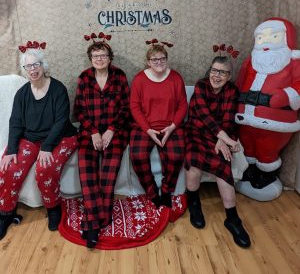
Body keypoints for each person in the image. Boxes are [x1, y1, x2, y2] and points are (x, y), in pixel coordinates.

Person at [0, 41, 78, 240]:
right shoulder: (22, 94)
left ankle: (53, 208)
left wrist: (47, 148)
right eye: (28, 66)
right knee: (9, 167)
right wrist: (10, 150)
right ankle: (6, 213)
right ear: (25, 69)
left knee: (45, 168)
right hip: (31, 138)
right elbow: (15, 123)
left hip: (61, 137)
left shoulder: (58, 89)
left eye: (36, 65)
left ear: (43, 65)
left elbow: (61, 121)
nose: (32, 70)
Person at [185, 55, 251, 248]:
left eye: (222, 72)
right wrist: (223, 138)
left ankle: (232, 219)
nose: (217, 75)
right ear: (210, 71)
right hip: (196, 131)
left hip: (219, 137)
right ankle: (194, 204)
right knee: (194, 163)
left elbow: (229, 120)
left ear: (229, 76)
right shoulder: (201, 85)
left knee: (223, 167)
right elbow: (204, 116)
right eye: (214, 70)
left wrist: (222, 141)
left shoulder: (232, 91)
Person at [74, 33, 130, 248]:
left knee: (108, 172)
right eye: (95, 56)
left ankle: (92, 224)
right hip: (90, 133)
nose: (99, 59)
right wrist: (94, 132)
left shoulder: (120, 76)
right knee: (87, 171)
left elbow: (126, 109)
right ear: (90, 59)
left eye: (103, 55)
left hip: (115, 133)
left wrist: (111, 131)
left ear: (110, 57)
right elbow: (78, 110)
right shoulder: (84, 77)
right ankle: (99, 220)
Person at [235, 18, 300, 200]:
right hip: (245, 119)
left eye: (274, 36)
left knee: (267, 149)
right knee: (246, 146)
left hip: (274, 123)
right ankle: (249, 172)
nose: (266, 42)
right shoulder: (251, 61)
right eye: (261, 38)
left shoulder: (295, 61)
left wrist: (286, 96)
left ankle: (266, 176)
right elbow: (240, 82)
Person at [130, 40, 187, 209]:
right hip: (145, 126)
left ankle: (167, 190)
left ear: (166, 59)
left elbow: (183, 104)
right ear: (148, 62)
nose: (159, 62)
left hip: (171, 125)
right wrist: (148, 130)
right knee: (138, 155)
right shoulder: (139, 79)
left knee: (176, 156)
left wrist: (173, 127)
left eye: (162, 58)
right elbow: (134, 106)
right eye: (154, 60)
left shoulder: (176, 77)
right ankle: (152, 192)